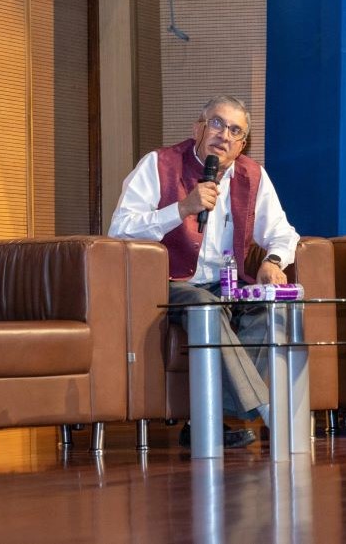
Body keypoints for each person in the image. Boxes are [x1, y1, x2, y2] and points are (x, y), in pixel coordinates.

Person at [108, 95, 300, 448]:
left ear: (243, 144)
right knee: (205, 306)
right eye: (216, 123)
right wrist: (181, 209)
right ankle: (264, 406)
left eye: (235, 130)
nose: (223, 135)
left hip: (226, 284)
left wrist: (273, 262)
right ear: (198, 128)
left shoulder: (252, 176)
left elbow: (283, 232)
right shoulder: (158, 165)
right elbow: (119, 229)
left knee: (272, 308)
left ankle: (210, 421)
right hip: (169, 284)